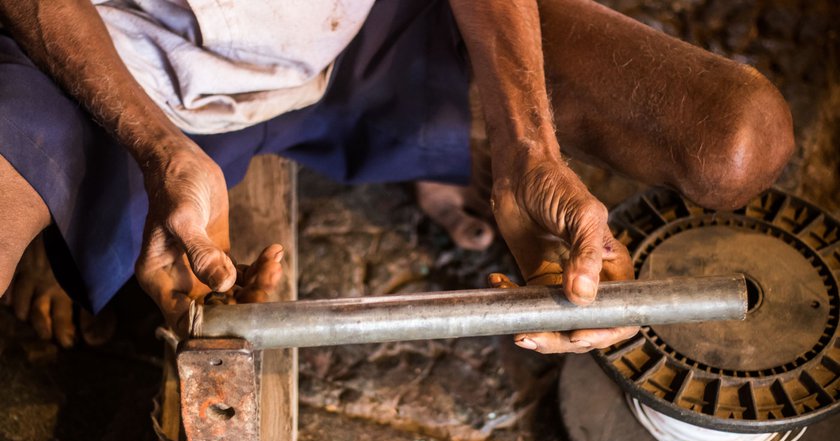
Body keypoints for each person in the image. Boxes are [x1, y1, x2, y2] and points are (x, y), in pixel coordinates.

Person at [0, 0, 793, 353]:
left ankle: (86, 214)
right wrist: (151, 148)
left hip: (366, 26)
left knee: (739, 140)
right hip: (124, 54)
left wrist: (527, 148)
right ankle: (68, 210)